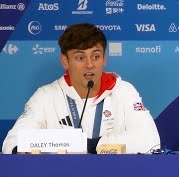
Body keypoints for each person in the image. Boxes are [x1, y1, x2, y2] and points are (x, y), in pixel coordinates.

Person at [2, 23, 160, 154]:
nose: (89, 64)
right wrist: (20, 151)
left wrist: (89, 145)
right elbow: (13, 142)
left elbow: (150, 141)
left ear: (104, 59)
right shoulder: (46, 96)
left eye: (95, 56)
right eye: (80, 57)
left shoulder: (124, 91)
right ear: (65, 61)